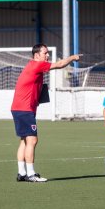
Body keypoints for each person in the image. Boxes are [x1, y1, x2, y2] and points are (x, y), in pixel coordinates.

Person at [11, 43, 80, 182]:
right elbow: (60, 64)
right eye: (45, 53)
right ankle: (31, 174)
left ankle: (22, 173)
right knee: (32, 140)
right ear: (37, 55)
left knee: (24, 141)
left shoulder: (32, 66)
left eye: (48, 52)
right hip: (24, 109)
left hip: (20, 108)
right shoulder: (37, 65)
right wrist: (73, 57)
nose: (47, 55)